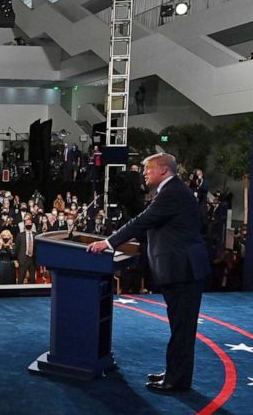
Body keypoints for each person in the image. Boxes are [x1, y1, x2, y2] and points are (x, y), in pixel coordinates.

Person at [87, 152, 210, 393]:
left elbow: (142, 221)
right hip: (181, 268)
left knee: (182, 328)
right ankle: (175, 373)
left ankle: (177, 379)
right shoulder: (172, 191)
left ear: (164, 170)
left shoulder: (172, 192)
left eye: (148, 168)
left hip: (184, 270)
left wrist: (109, 243)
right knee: (179, 326)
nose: (144, 172)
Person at [14, 215, 37, 284]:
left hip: (32, 260)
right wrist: (15, 260)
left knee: (33, 279)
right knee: (21, 279)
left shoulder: (36, 235)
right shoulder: (20, 235)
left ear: (32, 224)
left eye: (29, 223)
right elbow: (16, 248)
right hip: (23, 259)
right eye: (26, 223)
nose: (28, 224)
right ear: (24, 224)